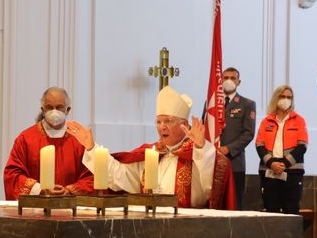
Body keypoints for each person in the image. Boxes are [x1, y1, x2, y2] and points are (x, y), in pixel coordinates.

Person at [67, 86, 216, 208]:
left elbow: (211, 185)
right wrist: (91, 147)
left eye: (168, 121)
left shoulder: (197, 153)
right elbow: (118, 175)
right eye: (158, 121)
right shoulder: (151, 154)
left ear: (184, 124)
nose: (162, 127)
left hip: (188, 223)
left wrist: (201, 147)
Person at [3, 87, 93, 200]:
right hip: (36, 210)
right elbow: (12, 175)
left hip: (70, 208)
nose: (54, 111)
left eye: (59, 107)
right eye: (49, 107)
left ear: (68, 110)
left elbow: (92, 175)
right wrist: (40, 189)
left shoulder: (80, 140)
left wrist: (69, 191)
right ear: (43, 110)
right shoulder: (26, 139)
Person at [255, 86, 307, 215]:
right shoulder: (266, 121)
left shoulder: (299, 120)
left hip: (292, 172)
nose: (286, 100)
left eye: (289, 97)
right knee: (271, 211)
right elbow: (259, 145)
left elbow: (302, 146)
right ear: (276, 99)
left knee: (291, 210)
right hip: (269, 171)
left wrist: (284, 164)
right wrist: (272, 163)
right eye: (283, 97)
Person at [218, 67, 256, 207]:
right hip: (213, 162)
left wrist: (228, 149)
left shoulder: (247, 104)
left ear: (238, 82)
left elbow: (248, 134)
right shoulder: (211, 103)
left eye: (232, 78)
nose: (228, 80)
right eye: (225, 77)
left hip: (234, 163)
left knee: (234, 204)